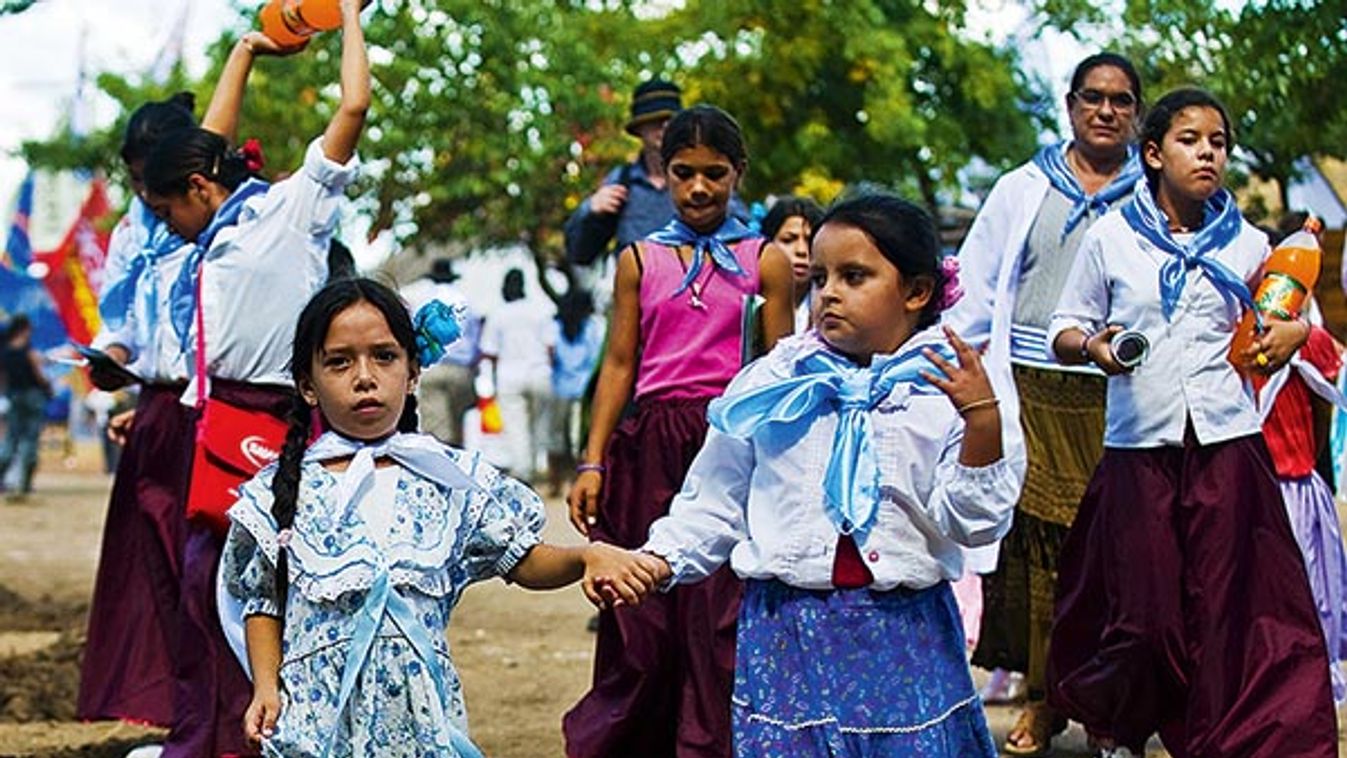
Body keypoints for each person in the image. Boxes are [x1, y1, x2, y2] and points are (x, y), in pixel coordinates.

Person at [631, 192, 1022, 757]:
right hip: (787, 633)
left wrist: (981, 422)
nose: (829, 293)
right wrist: (658, 559)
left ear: (916, 292)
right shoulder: (773, 383)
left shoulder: (955, 389)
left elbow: (975, 525)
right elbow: (713, 500)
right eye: (820, 277)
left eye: (855, 276)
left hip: (904, 636)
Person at [219, 277, 661, 756]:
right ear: (308, 384)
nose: (364, 377)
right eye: (339, 361)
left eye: (384, 357)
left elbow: (521, 559)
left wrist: (583, 558)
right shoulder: (280, 492)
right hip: (317, 725)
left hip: (420, 722)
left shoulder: (451, 480)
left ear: (412, 373)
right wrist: (265, 686)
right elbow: (263, 601)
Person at [1046, 87, 1337, 757]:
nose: (1206, 152)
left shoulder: (1251, 243)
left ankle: (1226, 739)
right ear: (1151, 153)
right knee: (1142, 615)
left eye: (1217, 142)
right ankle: (1119, 728)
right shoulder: (1110, 237)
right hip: (1137, 448)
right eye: (1188, 140)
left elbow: (1296, 325)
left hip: (1227, 446)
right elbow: (1064, 326)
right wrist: (1094, 349)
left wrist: (1289, 332)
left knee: (1233, 608)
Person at [138, 3, 369, 753]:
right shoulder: (216, 232)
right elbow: (206, 147)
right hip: (218, 430)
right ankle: (213, 740)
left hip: (282, 429)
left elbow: (354, 104)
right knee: (208, 597)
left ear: (200, 189)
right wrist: (243, 49)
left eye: (165, 204)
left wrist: (351, 18)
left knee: (279, 598)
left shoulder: (292, 210)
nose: (163, 219)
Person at [563, 104, 795, 758]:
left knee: (719, 611)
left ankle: (713, 744)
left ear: (738, 174)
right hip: (650, 447)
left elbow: (783, 371)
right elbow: (618, 364)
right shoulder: (638, 259)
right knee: (641, 611)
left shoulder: (766, 260)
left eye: (714, 174)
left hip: (733, 443)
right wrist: (592, 461)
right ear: (662, 175)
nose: (698, 188)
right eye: (683, 173)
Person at [943, 52, 1144, 755]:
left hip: (1123, 396)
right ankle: (1040, 699)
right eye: (1092, 97)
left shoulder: (1152, 194)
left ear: (1136, 114)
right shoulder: (1022, 188)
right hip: (1028, 389)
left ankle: (1112, 710)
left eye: (1121, 101)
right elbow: (969, 290)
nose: (1105, 111)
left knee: (1121, 555)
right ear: (1068, 105)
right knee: (1038, 556)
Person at [77, 89, 203, 732]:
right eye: (135, 180)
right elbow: (122, 320)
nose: (147, 194)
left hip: (214, 414)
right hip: (158, 413)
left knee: (208, 571)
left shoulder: (220, 218)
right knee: (157, 573)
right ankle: (178, 720)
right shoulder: (132, 231)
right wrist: (110, 357)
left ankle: (228, 717)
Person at [1255, 322, 1347, 701]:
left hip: (1295, 482)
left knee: (1312, 595)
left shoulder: (1306, 338)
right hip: (1266, 486)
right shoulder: (1232, 332)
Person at [479, 268, 555, 480]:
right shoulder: (540, 311)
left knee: (516, 426)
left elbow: (489, 351)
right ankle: (542, 464)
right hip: (540, 373)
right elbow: (550, 347)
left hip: (509, 376)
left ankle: (523, 472)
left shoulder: (498, 314)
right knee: (540, 424)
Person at [400, 258, 481, 446]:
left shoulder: (421, 301)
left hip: (432, 368)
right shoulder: (466, 302)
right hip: (461, 370)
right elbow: (477, 341)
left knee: (437, 429)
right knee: (458, 425)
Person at [545, 288, 605, 496]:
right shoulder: (591, 328)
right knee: (578, 436)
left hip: (560, 387)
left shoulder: (557, 326)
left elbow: (551, 355)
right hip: (584, 388)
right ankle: (577, 477)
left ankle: (555, 481)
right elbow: (596, 357)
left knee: (556, 435)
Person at [0, 315, 51, 498]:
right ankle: (25, 484)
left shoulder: (4, 352)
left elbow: (3, 379)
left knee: (10, 440)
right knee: (30, 440)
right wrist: (48, 388)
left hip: (13, 397)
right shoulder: (29, 352)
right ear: (24, 329)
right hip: (33, 397)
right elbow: (40, 375)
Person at [759, 195, 824, 332]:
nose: (801, 250)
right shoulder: (751, 304)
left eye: (809, 241)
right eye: (788, 240)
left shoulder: (828, 306)